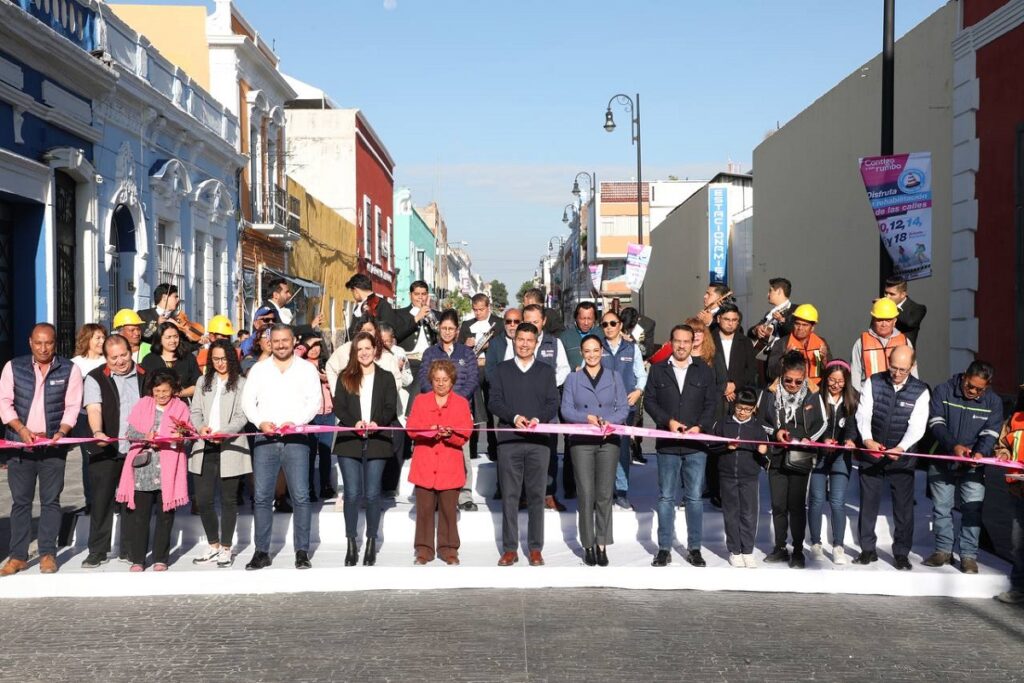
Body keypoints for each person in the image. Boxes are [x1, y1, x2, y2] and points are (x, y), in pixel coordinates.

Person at [0, 323, 83, 577]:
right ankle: (18, 556)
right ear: (30, 342)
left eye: (48, 343)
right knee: (21, 502)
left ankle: (48, 553)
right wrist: (21, 429)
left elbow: (72, 406)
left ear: (55, 343)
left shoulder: (70, 369)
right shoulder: (13, 367)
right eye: (38, 343)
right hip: (20, 445)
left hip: (52, 446)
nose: (43, 348)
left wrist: (62, 432)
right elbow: (4, 403)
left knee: (50, 501)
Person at [241, 324, 323, 571]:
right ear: (270, 342)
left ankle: (301, 551)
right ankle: (261, 551)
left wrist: (296, 423)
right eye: (275, 341)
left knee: (300, 496)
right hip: (266, 439)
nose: (280, 345)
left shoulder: (307, 369)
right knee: (262, 496)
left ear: (293, 340)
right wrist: (259, 422)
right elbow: (247, 401)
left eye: (285, 340)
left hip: (297, 438)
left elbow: (314, 401)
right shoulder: (259, 369)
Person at [644, 324, 718, 567]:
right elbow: (650, 402)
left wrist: (701, 427)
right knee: (666, 497)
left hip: (696, 446)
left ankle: (694, 548)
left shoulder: (704, 371)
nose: (682, 345)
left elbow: (711, 404)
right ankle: (664, 549)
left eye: (687, 341)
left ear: (693, 343)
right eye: (678, 341)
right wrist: (668, 422)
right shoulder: (657, 370)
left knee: (694, 498)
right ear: (671, 342)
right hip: (667, 444)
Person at [488, 322, 560, 566]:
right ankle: (510, 549)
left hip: (539, 442)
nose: (525, 344)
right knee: (510, 496)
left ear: (536, 342)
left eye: (530, 340)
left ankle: (535, 548)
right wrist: (515, 418)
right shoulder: (501, 370)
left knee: (537, 496)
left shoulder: (546, 371)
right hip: (509, 440)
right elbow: (494, 402)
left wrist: (538, 420)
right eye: (521, 339)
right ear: (514, 340)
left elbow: (553, 403)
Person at [853, 345, 930, 570]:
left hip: (902, 457)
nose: (896, 374)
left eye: (903, 370)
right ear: (888, 361)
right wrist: (867, 440)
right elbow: (863, 413)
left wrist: (902, 447)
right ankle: (867, 550)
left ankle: (901, 553)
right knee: (868, 504)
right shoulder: (873, 382)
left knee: (904, 509)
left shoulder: (921, 390)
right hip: (872, 453)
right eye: (893, 367)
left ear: (912, 366)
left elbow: (918, 426)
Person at [923, 361, 1003, 573]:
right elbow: (936, 423)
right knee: (942, 508)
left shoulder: (993, 402)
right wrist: (952, 446)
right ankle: (943, 551)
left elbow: (992, 432)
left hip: (973, 466)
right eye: (970, 386)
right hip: (942, 459)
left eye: (980, 389)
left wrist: (980, 452)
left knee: (972, 510)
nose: (974, 392)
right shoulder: (944, 390)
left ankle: (968, 556)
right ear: (964, 377)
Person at [561, 335, 629, 566]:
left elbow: (623, 407)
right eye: (587, 351)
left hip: (608, 440)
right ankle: (588, 544)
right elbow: (566, 410)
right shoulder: (573, 378)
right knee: (586, 494)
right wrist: (586, 418)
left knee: (604, 495)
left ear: (602, 351)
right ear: (581, 352)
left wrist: (608, 422)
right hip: (581, 440)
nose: (591, 355)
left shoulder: (614, 376)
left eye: (595, 350)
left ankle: (602, 544)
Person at [333, 332, 399, 566]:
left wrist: (375, 422)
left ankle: (371, 541)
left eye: (367, 348)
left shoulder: (386, 377)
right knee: (351, 494)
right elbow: (338, 406)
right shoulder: (345, 376)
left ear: (375, 349)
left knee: (372, 494)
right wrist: (355, 423)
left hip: (378, 437)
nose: (363, 352)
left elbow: (391, 406)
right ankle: (352, 542)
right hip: (349, 439)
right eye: (359, 349)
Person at [81, 334, 147, 568]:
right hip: (106, 450)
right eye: (114, 358)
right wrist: (98, 431)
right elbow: (94, 409)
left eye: (124, 355)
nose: (120, 361)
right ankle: (97, 551)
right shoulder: (95, 378)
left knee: (132, 501)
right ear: (105, 358)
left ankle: (129, 549)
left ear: (131, 352)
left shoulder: (144, 375)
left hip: (136, 450)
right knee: (101, 501)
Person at [116, 369, 191, 571]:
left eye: (165, 391)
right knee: (139, 517)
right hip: (143, 469)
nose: (161, 395)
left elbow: (186, 434)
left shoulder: (181, 407)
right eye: (157, 391)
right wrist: (145, 435)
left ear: (173, 389)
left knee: (166, 517)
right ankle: (137, 559)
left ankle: (161, 558)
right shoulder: (143, 404)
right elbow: (129, 432)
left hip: (169, 470)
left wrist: (176, 436)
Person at [758, 350, 827, 568]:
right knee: (779, 505)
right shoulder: (768, 393)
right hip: (776, 456)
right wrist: (775, 432)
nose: (793, 385)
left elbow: (822, 423)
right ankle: (780, 547)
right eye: (788, 380)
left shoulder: (813, 394)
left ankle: (798, 550)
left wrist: (808, 439)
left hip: (800, 456)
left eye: (798, 381)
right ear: (781, 375)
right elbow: (759, 420)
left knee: (796, 505)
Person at [188, 339, 251, 568]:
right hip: (204, 446)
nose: (220, 363)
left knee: (228, 500)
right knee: (203, 499)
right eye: (215, 359)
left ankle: (226, 547)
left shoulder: (241, 383)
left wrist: (225, 432)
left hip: (230, 446)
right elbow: (195, 411)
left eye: (224, 358)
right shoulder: (202, 381)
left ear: (231, 359)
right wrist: (200, 428)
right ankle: (213, 544)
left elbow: (242, 416)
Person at [406, 359, 474, 565]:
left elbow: (465, 434)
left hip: (450, 466)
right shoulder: (420, 400)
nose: (441, 384)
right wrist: (431, 431)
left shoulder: (461, 403)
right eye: (437, 380)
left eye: (445, 380)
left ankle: (449, 549)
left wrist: (449, 434)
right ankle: (424, 550)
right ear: (431, 380)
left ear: (452, 381)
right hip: (425, 465)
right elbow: (411, 429)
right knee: (424, 511)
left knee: (448, 511)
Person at [418, 309, 479, 511]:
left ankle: (465, 495)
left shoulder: (467, 353)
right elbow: (424, 381)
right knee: (438, 453)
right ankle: (438, 494)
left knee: (463, 454)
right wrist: (440, 401)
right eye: (443, 328)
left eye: (450, 328)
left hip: (460, 412)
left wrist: (454, 403)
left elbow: (472, 380)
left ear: (457, 330)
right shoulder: (430, 353)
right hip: (435, 412)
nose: (446, 332)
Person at [711, 388, 770, 568]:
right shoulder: (722, 424)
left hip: (749, 477)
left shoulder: (758, 428)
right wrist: (725, 447)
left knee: (749, 514)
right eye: (740, 408)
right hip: (727, 475)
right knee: (731, 513)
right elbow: (711, 447)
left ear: (754, 410)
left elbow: (766, 455)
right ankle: (734, 550)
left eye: (747, 409)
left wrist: (763, 451)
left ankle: (748, 550)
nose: (743, 412)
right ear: (734, 406)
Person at [807, 359, 859, 564]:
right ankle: (816, 542)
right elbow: (811, 425)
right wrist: (822, 439)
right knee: (817, 500)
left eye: (840, 381)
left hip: (840, 457)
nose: (836, 385)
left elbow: (853, 426)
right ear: (825, 379)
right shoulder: (816, 398)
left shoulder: (852, 399)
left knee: (837, 501)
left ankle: (838, 545)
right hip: (819, 455)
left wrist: (850, 440)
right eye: (831, 380)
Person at [522, 303, 571, 510]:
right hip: (523, 404)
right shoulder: (518, 341)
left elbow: (564, 369)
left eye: (535, 321)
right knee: (525, 451)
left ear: (543, 322)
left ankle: (549, 494)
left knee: (549, 451)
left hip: (548, 405)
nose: (532, 325)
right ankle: (525, 495)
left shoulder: (555, 343)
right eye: (528, 321)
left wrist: (547, 384)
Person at [599, 309, 647, 510]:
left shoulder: (631, 348)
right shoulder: (596, 347)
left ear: (620, 325)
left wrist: (638, 391)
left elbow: (641, 374)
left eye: (612, 323)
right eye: (604, 324)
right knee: (602, 451)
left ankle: (622, 492)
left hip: (625, 408)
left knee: (623, 451)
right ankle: (604, 493)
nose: (609, 327)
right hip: (601, 408)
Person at [686, 316, 725, 508]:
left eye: (700, 331)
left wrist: (710, 403)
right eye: (693, 331)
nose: (697, 335)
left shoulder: (713, 356)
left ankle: (714, 491)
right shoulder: (681, 355)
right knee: (689, 454)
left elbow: (721, 383)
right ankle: (690, 493)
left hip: (710, 412)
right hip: (687, 411)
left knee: (711, 454)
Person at [460, 293, 502, 461]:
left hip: (492, 369)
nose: (478, 313)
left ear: (488, 307)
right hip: (473, 369)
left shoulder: (498, 323)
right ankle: (472, 450)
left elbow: (505, 344)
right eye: (475, 310)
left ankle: (494, 450)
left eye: (481, 310)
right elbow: (459, 348)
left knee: (492, 409)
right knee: (474, 410)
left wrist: (490, 344)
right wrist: (466, 344)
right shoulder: (467, 324)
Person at [71, 323, 107, 512]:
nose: (101, 341)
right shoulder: (76, 363)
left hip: (106, 415)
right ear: (87, 340)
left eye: (103, 337)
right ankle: (91, 500)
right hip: (84, 417)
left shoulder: (107, 361)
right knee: (89, 458)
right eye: (97, 338)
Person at [993, 386, 1024, 604]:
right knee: (1018, 542)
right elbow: (1002, 444)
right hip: (1019, 491)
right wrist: (1003, 454)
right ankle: (1019, 588)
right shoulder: (1014, 420)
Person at [298, 333, 336, 502]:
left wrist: (329, 381)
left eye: (317, 346)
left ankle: (326, 485)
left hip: (328, 413)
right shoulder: (300, 365)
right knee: (310, 452)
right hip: (310, 416)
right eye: (310, 346)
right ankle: (309, 487)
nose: (314, 350)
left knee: (326, 452)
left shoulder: (328, 364)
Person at [378, 322, 414, 499]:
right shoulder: (373, 353)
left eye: (388, 340)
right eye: (382, 340)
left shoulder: (400, 352)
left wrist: (400, 370)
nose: (386, 344)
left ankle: (392, 485)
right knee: (381, 445)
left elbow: (408, 380)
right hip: (379, 406)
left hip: (398, 404)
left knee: (398, 445)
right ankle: (378, 484)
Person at [850, 298, 915, 385]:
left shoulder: (905, 342)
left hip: (899, 394)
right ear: (873, 320)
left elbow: (913, 372)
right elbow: (855, 375)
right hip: (870, 395)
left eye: (888, 320)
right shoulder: (861, 343)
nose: (883, 324)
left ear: (894, 321)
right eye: (879, 320)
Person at [766, 304, 830, 390]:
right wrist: (784, 358)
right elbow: (770, 373)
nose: (800, 328)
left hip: (816, 391)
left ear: (812, 327)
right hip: (790, 391)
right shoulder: (781, 344)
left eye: (805, 325)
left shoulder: (821, 343)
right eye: (797, 324)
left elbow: (830, 373)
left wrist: (824, 359)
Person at [711, 303, 758, 411]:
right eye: (727, 319)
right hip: (714, 397)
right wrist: (724, 387)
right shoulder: (709, 340)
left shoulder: (745, 342)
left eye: (734, 320)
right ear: (718, 319)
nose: (730, 323)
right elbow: (706, 368)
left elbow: (751, 370)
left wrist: (735, 385)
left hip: (738, 398)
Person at [140, 322, 201, 400]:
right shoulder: (149, 360)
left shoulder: (188, 358)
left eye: (176, 336)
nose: (173, 340)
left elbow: (198, 384)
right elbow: (145, 388)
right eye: (168, 337)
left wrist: (180, 393)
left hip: (183, 406)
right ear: (160, 339)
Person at [394, 280, 438, 381]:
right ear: (410, 295)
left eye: (423, 294)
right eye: (416, 294)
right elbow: (398, 335)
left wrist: (432, 317)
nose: (420, 297)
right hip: (409, 362)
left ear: (427, 295)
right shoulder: (399, 313)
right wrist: (417, 317)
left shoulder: (436, 314)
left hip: (430, 363)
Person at [747, 277, 794, 362]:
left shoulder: (795, 310)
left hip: (784, 360)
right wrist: (756, 330)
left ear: (779, 291)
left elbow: (793, 332)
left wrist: (782, 320)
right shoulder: (770, 313)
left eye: (770, 291)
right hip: (765, 359)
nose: (767, 294)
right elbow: (750, 332)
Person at [346, 273, 397, 340]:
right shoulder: (358, 308)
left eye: (352, 292)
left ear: (355, 290)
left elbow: (388, 332)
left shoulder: (382, 304)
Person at [884, 275, 927, 349]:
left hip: (904, 356)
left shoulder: (918, 308)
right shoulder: (882, 306)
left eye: (892, 294)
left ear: (903, 294)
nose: (887, 297)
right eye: (886, 293)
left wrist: (890, 308)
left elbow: (910, 322)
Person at [559, 302, 603, 371]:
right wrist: (574, 368)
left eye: (589, 319)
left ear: (595, 319)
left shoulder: (602, 334)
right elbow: (559, 361)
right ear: (576, 318)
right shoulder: (565, 337)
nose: (586, 323)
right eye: (582, 318)